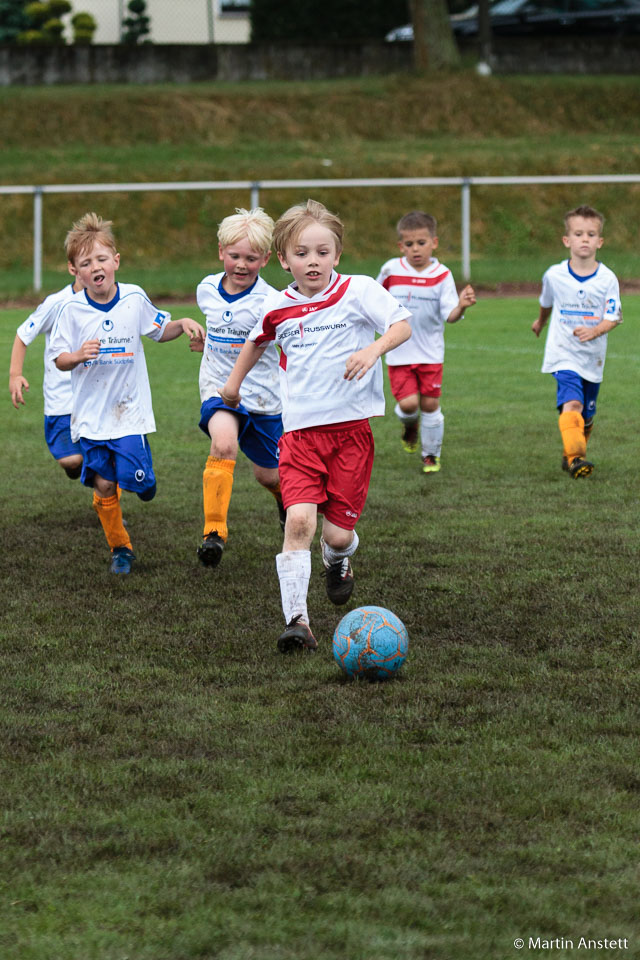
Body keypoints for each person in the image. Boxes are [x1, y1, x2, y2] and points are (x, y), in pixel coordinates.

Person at [221, 199, 412, 653]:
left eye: (322, 252)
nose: (313, 262)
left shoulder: (358, 290)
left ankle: (338, 558)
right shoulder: (276, 305)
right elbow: (255, 343)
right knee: (299, 522)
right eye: (302, 254)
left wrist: (372, 350)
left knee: (336, 534)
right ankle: (297, 621)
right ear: (284, 259)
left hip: (350, 436)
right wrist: (231, 387)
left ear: (337, 255)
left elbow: (402, 325)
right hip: (300, 437)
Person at [50, 212, 204, 574]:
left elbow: (158, 329)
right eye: (86, 263)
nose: (96, 267)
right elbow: (59, 359)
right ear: (75, 271)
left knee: (140, 483)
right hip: (90, 417)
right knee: (104, 484)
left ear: (116, 261)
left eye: (102, 259)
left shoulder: (133, 298)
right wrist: (77, 356)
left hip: (128, 413)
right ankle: (121, 548)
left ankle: (143, 478)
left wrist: (182, 325)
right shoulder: (70, 310)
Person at [192, 207, 284, 568]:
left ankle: (282, 498)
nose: (241, 265)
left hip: (262, 395)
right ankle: (213, 534)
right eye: (234, 256)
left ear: (265, 258)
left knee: (269, 475)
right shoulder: (206, 289)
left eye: (250, 258)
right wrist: (207, 344)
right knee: (224, 443)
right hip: (218, 388)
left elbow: (269, 343)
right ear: (220, 252)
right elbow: (220, 330)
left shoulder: (271, 301)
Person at [376, 210, 476, 474]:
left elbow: (450, 315)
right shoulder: (390, 270)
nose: (415, 249)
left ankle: (431, 455)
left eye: (421, 243)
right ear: (401, 246)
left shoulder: (442, 275)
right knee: (409, 405)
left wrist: (462, 306)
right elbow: (374, 303)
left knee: (430, 404)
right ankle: (410, 427)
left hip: (431, 353)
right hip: (398, 352)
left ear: (434, 242)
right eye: (409, 244)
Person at [532, 204, 622, 478]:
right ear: (567, 240)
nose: (585, 239)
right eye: (579, 233)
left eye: (591, 234)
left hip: (592, 356)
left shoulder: (607, 279)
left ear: (600, 241)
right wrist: (541, 322)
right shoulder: (554, 275)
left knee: (587, 416)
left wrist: (594, 331)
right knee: (572, 405)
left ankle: (569, 453)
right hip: (562, 351)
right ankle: (576, 459)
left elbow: (614, 317)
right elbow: (546, 302)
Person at [9, 267, 84, 479]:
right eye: (85, 263)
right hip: (61, 399)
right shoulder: (56, 303)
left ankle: (107, 507)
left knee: (105, 462)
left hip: (95, 395)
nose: (93, 268)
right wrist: (15, 374)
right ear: (73, 267)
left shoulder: (108, 302)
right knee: (71, 460)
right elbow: (23, 334)